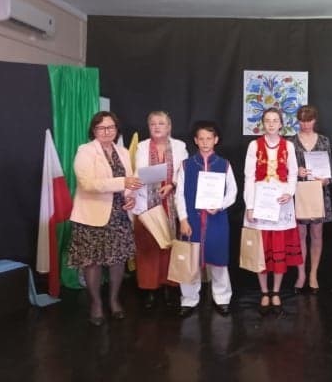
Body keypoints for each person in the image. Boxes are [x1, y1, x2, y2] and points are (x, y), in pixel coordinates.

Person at [69, 111, 142, 326]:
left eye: (111, 127)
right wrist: (122, 183)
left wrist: (130, 198)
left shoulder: (123, 151)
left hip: (119, 214)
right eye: (101, 128)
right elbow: (87, 184)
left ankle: (114, 300)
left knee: (118, 259)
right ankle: (96, 304)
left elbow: (131, 183)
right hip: (91, 215)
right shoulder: (85, 151)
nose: (106, 131)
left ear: (117, 130)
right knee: (92, 262)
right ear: (94, 130)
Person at [175, 121, 238, 318]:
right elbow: (179, 194)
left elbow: (233, 192)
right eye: (201, 139)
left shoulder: (224, 164)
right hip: (192, 220)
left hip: (216, 219)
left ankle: (222, 297)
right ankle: (189, 299)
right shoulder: (186, 165)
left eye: (208, 138)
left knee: (218, 261)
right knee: (191, 260)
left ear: (215, 140)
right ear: (195, 140)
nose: (204, 142)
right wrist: (183, 219)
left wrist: (220, 206)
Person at [244, 107, 303, 314]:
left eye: (275, 120)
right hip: (260, 201)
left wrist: (289, 193)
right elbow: (249, 177)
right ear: (263, 124)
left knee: (278, 246)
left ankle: (276, 291)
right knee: (261, 249)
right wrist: (250, 206)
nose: (271, 124)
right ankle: (264, 291)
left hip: (280, 202)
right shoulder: (254, 145)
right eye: (267, 120)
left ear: (281, 124)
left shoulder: (288, 146)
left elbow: (293, 173)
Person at [132, 111, 188, 310]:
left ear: (169, 127)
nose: (157, 127)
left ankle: (170, 287)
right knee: (148, 247)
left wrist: (172, 185)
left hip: (172, 203)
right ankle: (150, 289)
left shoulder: (180, 146)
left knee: (170, 247)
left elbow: (184, 173)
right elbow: (138, 173)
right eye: (153, 124)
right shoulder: (142, 146)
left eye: (161, 123)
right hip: (147, 203)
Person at [290, 105, 332, 294]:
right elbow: (284, 171)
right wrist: (295, 172)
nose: (305, 124)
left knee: (316, 234)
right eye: (302, 121)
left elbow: (330, 171)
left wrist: (325, 180)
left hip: (318, 193)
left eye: (309, 120)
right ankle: (301, 274)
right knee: (299, 235)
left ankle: (313, 273)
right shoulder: (290, 142)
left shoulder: (324, 141)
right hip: (298, 193)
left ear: (315, 120)